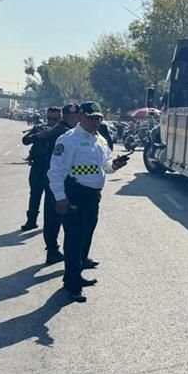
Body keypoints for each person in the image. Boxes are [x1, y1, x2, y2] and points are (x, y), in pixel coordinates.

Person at [48, 101, 130, 303]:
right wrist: (60, 197)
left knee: (86, 236)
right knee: (74, 239)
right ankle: (72, 285)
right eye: (92, 118)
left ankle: (76, 274)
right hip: (75, 194)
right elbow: (56, 172)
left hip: (93, 197)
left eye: (98, 118)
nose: (96, 121)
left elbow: (105, 167)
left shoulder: (100, 140)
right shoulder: (68, 140)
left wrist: (115, 165)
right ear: (80, 118)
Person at [37, 103, 79, 265]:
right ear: (66, 117)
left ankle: (55, 251)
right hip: (59, 180)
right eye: (74, 116)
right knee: (56, 218)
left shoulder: (60, 131)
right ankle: (54, 251)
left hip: (55, 178)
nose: (77, 119)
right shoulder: (64, 133)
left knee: (53, 217)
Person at [20, 106, 61, 232]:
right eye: (49, 118)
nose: (52, 121)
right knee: (34, 195)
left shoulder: (63, 131)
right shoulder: (40, 128)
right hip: (38, 166)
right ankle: (31, 221)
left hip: (53, 168)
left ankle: (50, 223)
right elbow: (25, 140)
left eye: (55, 119)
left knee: (51, 198)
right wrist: (38, 135)